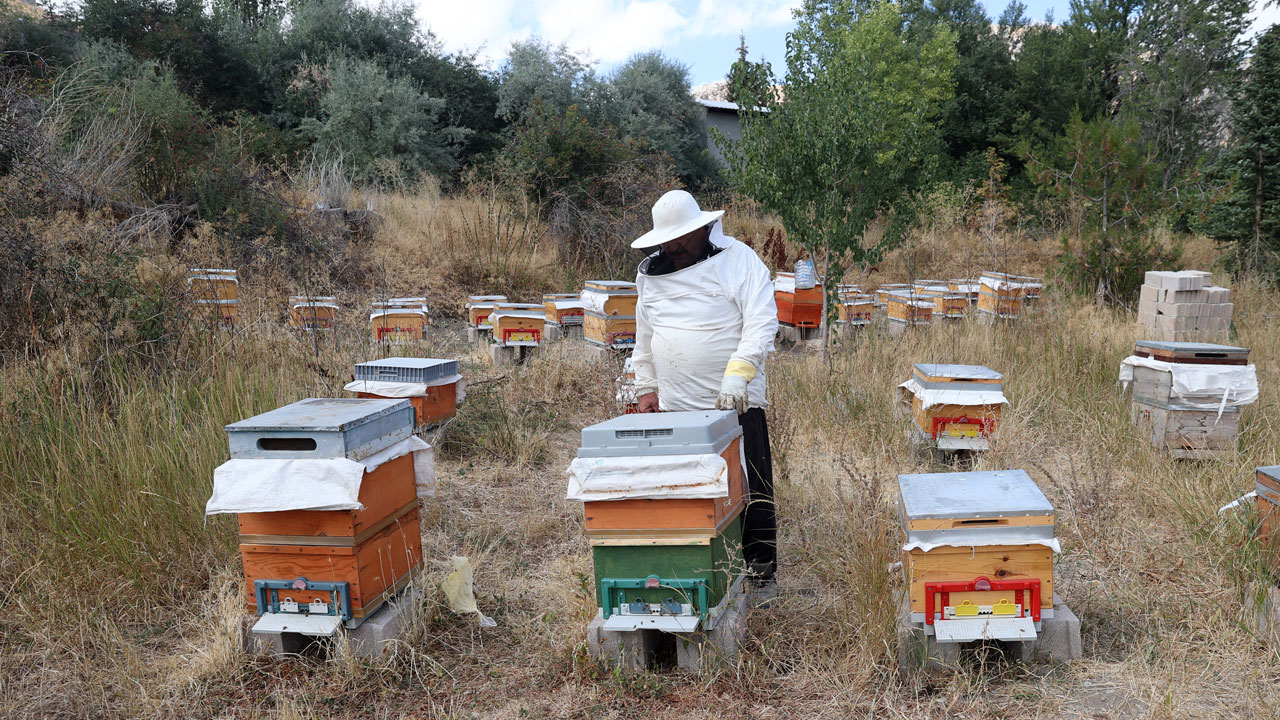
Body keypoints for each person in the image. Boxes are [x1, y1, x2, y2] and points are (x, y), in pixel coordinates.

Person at [630, 189, 779, 594]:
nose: (673, 245)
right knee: (693, 493)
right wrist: (646, 386)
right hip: (678, 408)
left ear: (703, 229)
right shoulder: (649, 274)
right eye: (667, 238)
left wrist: (738, 374)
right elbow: (645, 336)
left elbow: (762, 321)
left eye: (682, 237)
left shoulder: (739, 261)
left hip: (736, 403)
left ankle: (761, 576)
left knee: (751, 487)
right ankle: (703, 574)